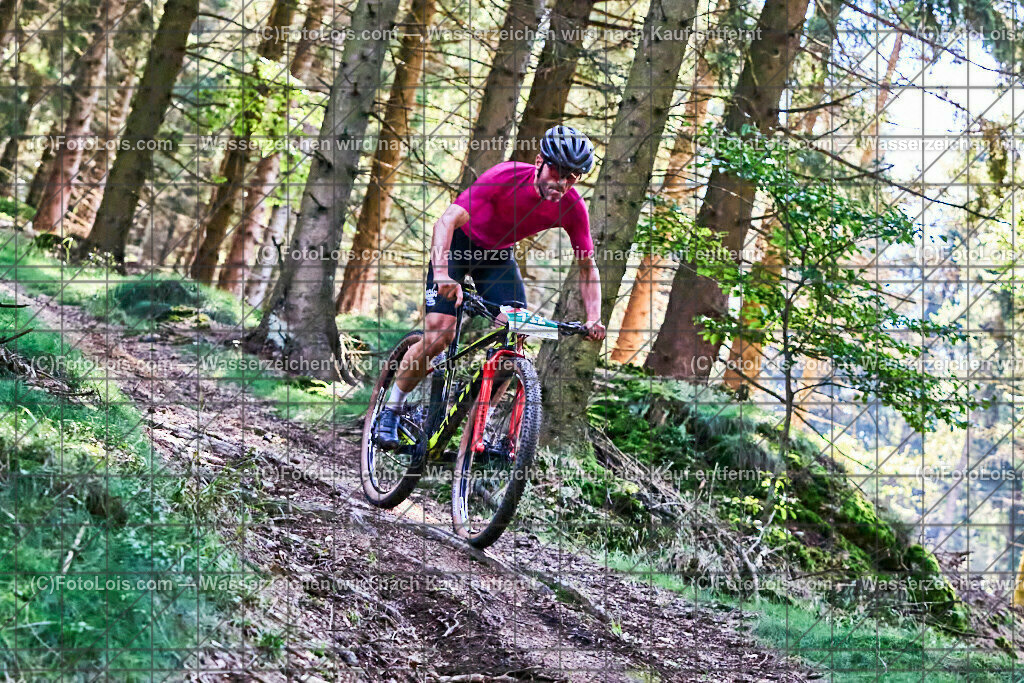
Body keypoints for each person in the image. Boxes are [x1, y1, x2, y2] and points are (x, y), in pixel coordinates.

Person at [374, 125, 606, 448]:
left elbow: (586, 266)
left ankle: (476, 435)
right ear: (539, 161)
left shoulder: (572, 207)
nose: (562, 182)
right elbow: (446, 221)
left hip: (496, 258)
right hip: (458, 245)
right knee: (440, 333)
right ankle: (392, 407)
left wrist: (593, 318)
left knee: (516, 332)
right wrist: (442, 274)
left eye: (573, 176)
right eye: (557, 170)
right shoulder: (505, 176)